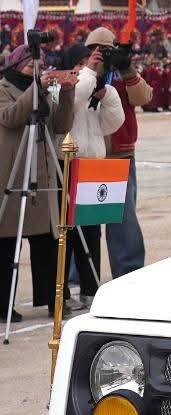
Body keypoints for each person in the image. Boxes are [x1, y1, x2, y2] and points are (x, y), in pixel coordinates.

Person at [0, 46, 78, 322]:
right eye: (31, 65)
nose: (37, 69)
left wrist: (67, 93)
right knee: (7, 243)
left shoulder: (42, 90)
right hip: (12, 176)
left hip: (42, 174)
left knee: (48, 240)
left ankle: (54, 299)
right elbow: (9, 117)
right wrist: (36, 87)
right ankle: (3, 306)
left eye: (41, 66)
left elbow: (60, 125)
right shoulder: (4, 88)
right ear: (17, 65)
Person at [61, 42, 127, 304]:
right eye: (81, 63)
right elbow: (74, 99)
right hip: (68, 164)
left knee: (91, 232)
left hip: (92, 167)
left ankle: (89, 289)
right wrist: (88, 74)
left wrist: (106, 95)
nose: (86, 68)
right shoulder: (65, 86)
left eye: (89, 62)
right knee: (67, 232)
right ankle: (62, 292)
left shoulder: (90, 86)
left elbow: (113, 122)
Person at [86, 27, 152, 277]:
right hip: (90, 154)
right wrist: (90, 70)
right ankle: (80, 274)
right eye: (96, 51)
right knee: (85, 219)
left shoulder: (122, 75)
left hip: (120, 155)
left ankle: (129, 271)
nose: (102, 55)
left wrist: (127, 69)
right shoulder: (83, 73)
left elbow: (144, 97)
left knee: (123, 220)